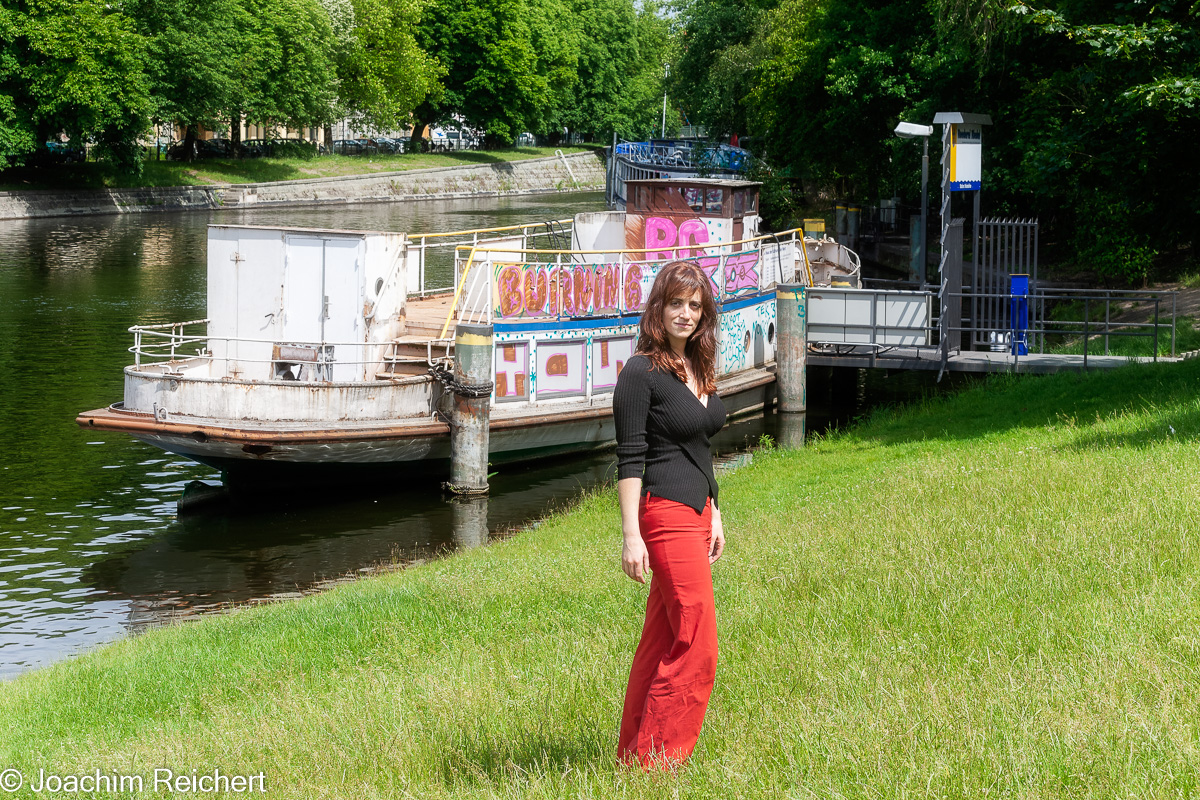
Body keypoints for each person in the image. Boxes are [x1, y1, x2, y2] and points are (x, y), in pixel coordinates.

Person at [613, 259, 728, 769]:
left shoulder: (699, 366)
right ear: (657, 308)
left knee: (659, 638)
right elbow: (629, 457)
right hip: (663, 515)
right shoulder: (641, 371)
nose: (685, 314)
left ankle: (632, 754)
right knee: (697, 640)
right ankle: (660, 761)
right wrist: (630, 535)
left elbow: (699, 445)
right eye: (676, 303)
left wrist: (716, 509)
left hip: (697, 511)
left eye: (694, 305)